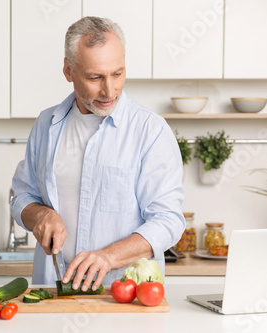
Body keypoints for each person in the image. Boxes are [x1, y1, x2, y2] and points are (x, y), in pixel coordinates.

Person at [11, 16, 185, 291]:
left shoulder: (150, 130)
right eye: (95, 77)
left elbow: (169, 221)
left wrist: (109, 256)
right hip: (53, 292)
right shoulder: (46, 125)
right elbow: (22, 197)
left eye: (118, 74)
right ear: (68, 71)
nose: (110, 90)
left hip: (122, 295)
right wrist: (40, 215)